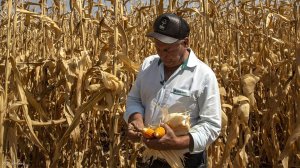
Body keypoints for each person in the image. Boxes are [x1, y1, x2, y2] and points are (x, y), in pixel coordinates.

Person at [123, 13, 221, 168]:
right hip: (151, 158)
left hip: (186, 161)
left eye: (168, 50)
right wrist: (136, 120)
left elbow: (211, 125)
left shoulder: (204, 76)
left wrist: (176, 143)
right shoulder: (148, 65)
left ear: (186, 42)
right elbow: (135, 99)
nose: (162, 55)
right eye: (158, 48)